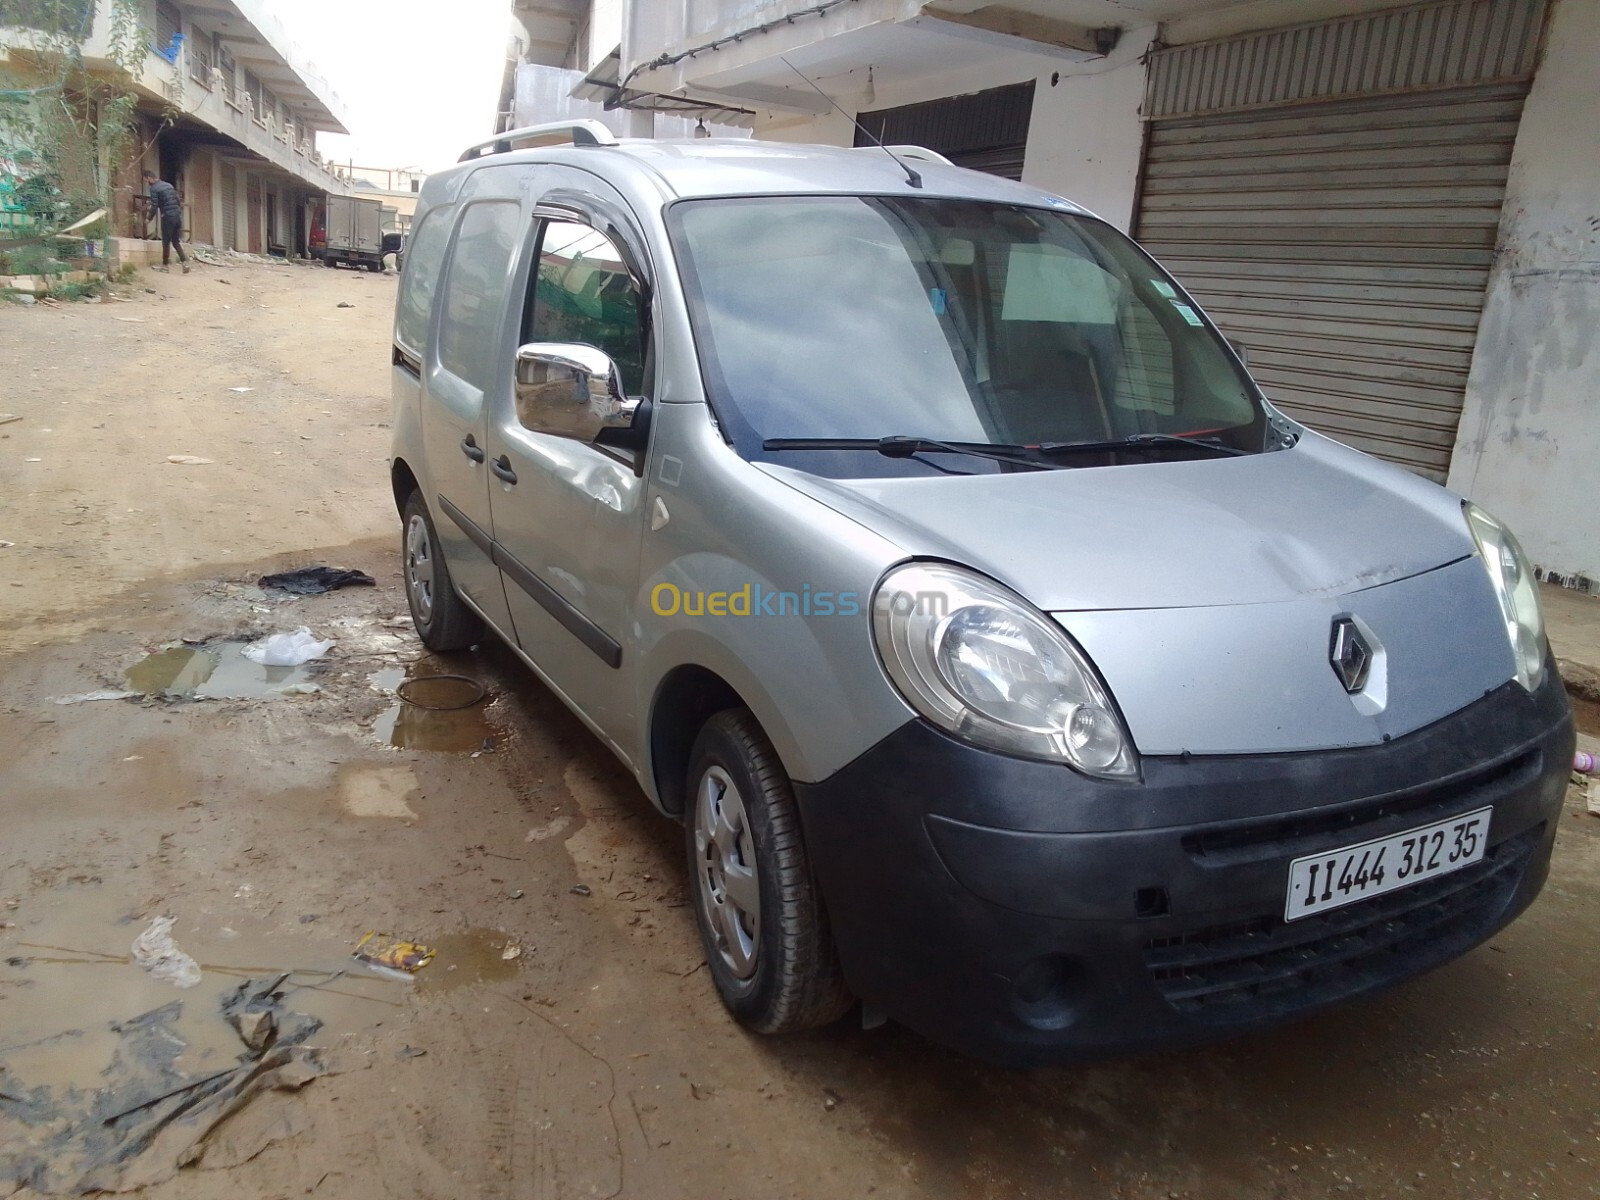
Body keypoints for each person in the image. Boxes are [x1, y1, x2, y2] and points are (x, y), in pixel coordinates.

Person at [142, 169, 189, 273]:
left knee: (166, 242)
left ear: (149, 178)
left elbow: (154, 205)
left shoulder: (154, 188)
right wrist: (177, 212)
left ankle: (165, 266)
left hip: (167, 217)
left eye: (146, 180)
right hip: (177, 217)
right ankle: (185, 263)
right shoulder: (169, 185)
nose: (146, 183)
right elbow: (177, 200)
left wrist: (148, 218)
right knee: (176, 242)